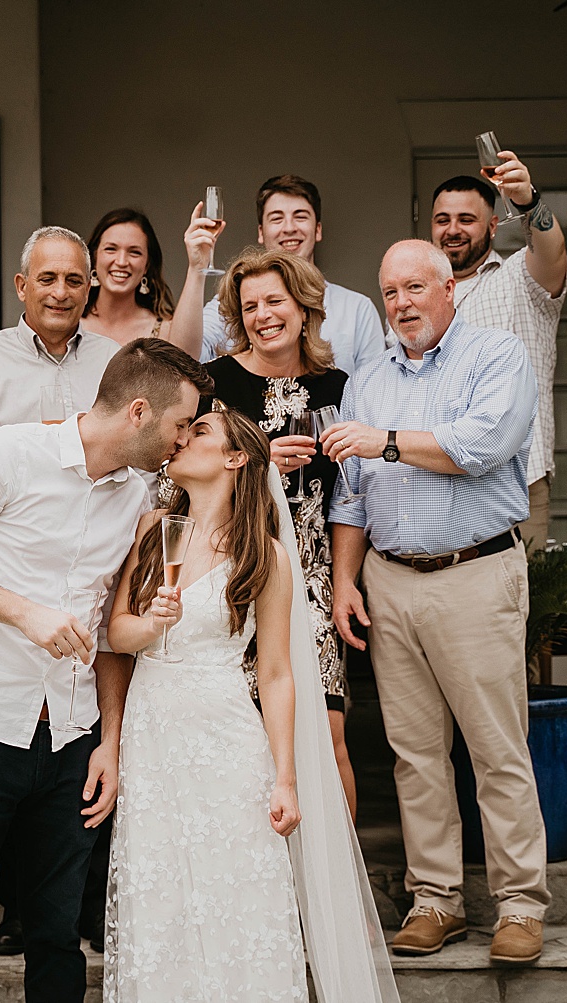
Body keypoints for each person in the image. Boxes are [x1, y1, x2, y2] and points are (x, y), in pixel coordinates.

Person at [0, 338, 212, 1003]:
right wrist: (24, 612)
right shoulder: (7, 454)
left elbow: (112, 634)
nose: (183, 440)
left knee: (58, 937)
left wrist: (109, 742)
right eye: (181, 423)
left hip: (72, 739)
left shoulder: (137, 498)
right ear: (138, 410)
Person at [103, 407, 400, 1002]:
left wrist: (285, 777)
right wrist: (152, 623)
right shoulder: (153, 529)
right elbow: (117, 634)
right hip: (152, 737)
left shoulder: (264, 556)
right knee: (160, 895)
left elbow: (277, 672)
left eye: (200, 432)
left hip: (226, 736)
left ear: (237, 458)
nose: (181, 439)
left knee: (238, 894)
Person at [323, 240, 548, 966]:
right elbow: (350, 495)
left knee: (496, 749)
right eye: (390, 292)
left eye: (415, 287)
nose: (402, 303)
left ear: (449, 288)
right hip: (389, 580)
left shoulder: (495, 355)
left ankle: (520, 904)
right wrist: (347, 581)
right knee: (414, 754)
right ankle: (436, 899)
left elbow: (482, 445)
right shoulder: (367, 378)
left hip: (474, 574)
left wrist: (384, 441)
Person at [203, 247, 358, 818]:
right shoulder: (215, 384)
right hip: (237, 570)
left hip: (312, 577)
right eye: (250, 307)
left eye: (275, 301)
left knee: (329, 733)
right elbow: (179, 477)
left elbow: (352, 496)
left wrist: (344, 582)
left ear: (303, 306)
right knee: (249, 735)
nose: (263, 315)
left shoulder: (338, 387)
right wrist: (260, 458)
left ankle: (338, 874)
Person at [429, 154, 567, 549]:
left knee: (514, 590)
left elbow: (552, 252)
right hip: (433, 480)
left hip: (514, 481)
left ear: (492, 226)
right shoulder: (413, 298)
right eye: (443, 220)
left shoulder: (519, 279)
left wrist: (528, 202)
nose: (452, 230)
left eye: (466, 220)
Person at [0, 227, 122, 482]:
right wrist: (14, 455)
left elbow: (138, 448)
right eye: (47, 279)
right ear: (22, 287)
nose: (60, 293)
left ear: (87, 291)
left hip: (96, 505)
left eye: (73, 281)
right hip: (9, 507)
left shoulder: (114, 360)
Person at [202, 174, 385, 379]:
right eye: (277, 218)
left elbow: (373, 388)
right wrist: (195, 269)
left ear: (317, 230)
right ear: (261, 232)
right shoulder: (232, 304)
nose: (289, 228)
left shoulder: (358, 309)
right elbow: (187, 357)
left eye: (300, 216)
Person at [79, 206, 205, 356]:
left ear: (147, 265)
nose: (121, 261)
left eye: (134, 252)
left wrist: (197, 267)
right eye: (111, 249)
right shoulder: (72, 323)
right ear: (94, 257)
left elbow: (187, 360)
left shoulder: (164, 330)